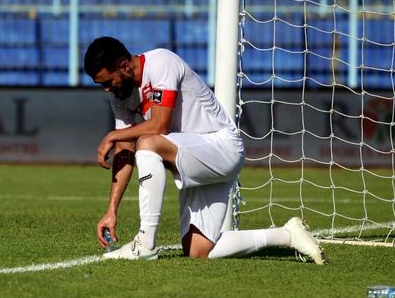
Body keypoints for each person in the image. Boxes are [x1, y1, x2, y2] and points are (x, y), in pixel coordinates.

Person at [84, 36, 325, 263]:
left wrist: (113, 135)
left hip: (221, 146)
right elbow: (125, 150)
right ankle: (288, 234)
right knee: (198, 250)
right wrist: (111, 211)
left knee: (147, 142)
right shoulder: (121, 96)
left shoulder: (160, 62)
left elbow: (160, 125)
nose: (107, 89)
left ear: (125, 65)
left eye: (107, 81)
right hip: (194, 155)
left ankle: (145, 242)